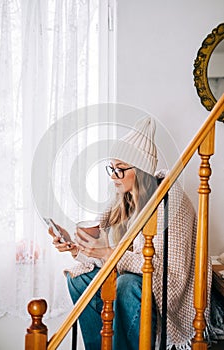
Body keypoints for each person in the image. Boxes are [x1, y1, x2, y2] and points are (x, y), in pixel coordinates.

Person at [50, 117, 212, 350]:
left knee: (126, 285)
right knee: (78, 280)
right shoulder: (124, 200)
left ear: (140, 170)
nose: (112, 176)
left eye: (120, 169)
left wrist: (109, 252)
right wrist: (77, 247)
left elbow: (169, 274)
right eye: (111, 168)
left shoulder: (170, 202)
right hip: (134, 277)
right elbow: (107, 255)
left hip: (163, 285)